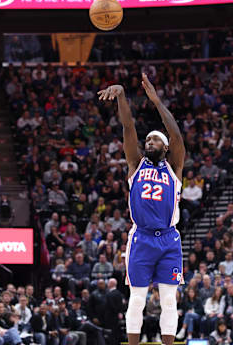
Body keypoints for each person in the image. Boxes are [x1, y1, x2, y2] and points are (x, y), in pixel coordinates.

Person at [98, 73, 185, 345]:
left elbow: (175, 132)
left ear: (166, 147)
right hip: (141, 238)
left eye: (155, 140)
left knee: (169, 301)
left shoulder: (175, 166)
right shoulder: (136, 165)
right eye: (147, 140)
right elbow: (127, 128)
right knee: (137, 300)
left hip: (170, 239)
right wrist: (122, 95)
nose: (149, 142)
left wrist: (157, 102)